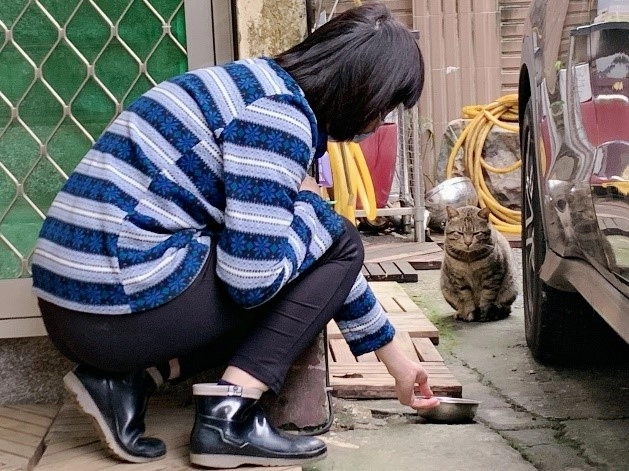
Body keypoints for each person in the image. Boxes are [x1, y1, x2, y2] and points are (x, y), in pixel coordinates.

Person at [31, 2, 440, 468]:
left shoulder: (254, 84)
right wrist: (310, 206)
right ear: (364, 90)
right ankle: (228, 419)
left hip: (80, 306)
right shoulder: (276, 119)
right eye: (385, 108)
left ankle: (125, 382)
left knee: (323, 244)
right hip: (109, 309)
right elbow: (255, 280)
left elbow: (316, 264)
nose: (379, 123)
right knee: (336, 242)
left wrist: (397, 363)